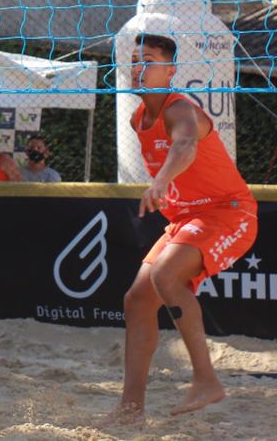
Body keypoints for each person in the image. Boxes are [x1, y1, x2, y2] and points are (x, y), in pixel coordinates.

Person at [102, 33, 257, 426]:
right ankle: (130, 408)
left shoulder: (181, 109)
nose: (139, 66)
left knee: (166, 276)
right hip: (187, 219)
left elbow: (185, 145)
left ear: (170, 71)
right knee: (137, 301)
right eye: (135, 59)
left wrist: (159, 182)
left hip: (229, 213)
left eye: (149, 59)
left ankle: (206, 380)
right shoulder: (139, 119)